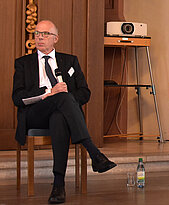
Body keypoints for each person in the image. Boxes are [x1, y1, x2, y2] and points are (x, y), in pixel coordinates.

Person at [12, 20, 117, 204]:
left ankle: (58, 185)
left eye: (45, 34)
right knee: (61, 97)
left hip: (60, 115)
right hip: (35, 114)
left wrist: (64, 98)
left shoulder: (70, 61)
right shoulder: (23, 63)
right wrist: (48, 93)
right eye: (37, 33)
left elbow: (85, 93)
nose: (40, 37)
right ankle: (94, 153)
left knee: (60, 115)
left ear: (56, 39)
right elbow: (17, 97)